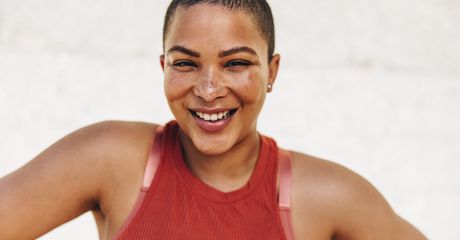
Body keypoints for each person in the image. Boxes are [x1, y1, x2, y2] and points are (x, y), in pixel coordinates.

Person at [0, 0, 427, 239]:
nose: (208, 89)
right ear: (163, 66)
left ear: (272, 71)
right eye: (186, 64)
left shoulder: (329, 196)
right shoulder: (109, 159)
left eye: (235, 63)